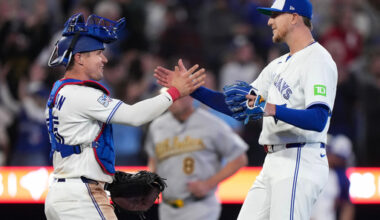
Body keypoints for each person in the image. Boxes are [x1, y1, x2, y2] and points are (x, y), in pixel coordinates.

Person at [154, 0, 338, 219]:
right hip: (273, 160)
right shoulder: (279, 65)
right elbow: (238, 106)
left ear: (293, 17)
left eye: (275, 15)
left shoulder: (318, 59)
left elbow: (318, 119)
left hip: (300, 158)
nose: (269, 21)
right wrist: (192, 91)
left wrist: (269, 108)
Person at [44, 13, 205, 220]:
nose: (105, 59)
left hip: (62, 193)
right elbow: (134, 116)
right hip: (80, 197)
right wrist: (174, 92)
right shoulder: (81, 94)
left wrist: (107, 179)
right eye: (98, 53)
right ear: (80, 58)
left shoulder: (59, 91)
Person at [145, 93, 248, 220]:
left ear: (191, 96)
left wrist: (208, 184)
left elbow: (239, 158)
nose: (174, 101)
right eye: (170, 96)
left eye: (178, 96)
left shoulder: (211, 124)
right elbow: (153, 159)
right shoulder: (157, 126)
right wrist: (151, 181)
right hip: (166, 207)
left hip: (200, 206)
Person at [311, 134, 355, 220]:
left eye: (340, 158)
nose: (335, 159)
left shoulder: (340, 177)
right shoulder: (312, 168)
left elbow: (347, 206)